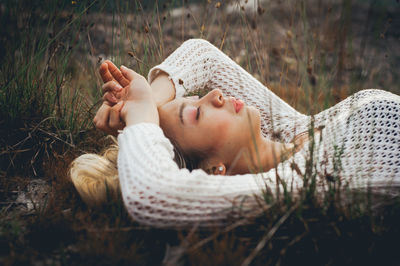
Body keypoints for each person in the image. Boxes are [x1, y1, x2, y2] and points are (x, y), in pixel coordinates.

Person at [70, 39, 400, 228]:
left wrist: (150, 103)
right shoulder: (303, 182)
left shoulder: (292, 130)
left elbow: (203, 55)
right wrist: (141, 117)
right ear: (215, 171)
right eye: (197, 113)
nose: (214, 95)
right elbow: (152, 195)